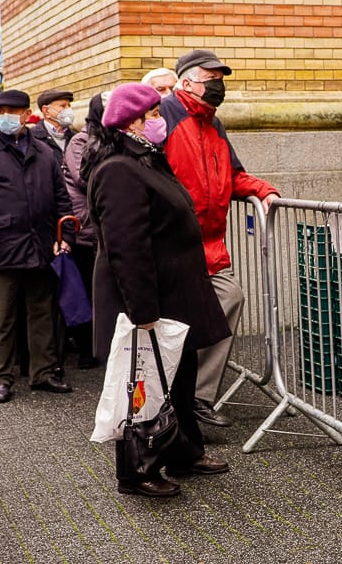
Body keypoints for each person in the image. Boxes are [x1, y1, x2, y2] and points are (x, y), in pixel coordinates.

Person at [85, 82, 231, 497]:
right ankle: (136, 470)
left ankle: (183, 450)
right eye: (151, 114)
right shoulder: (118, 169)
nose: (159, 120)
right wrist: (142, 310)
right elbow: (127, 248)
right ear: (131, 121)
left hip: (175, 291)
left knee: (179, 376)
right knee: (143, 383)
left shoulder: (146, 159)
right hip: (150, 298)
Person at [161, 49, 280, 428]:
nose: (218, 85)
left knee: (230, 298)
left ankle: (197, 396)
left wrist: (263, 190)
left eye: (220, 79)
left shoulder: (215, 125)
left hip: (210, 245)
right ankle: (165, 402)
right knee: (172, 323)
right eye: (209, 78)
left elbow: (234, 175)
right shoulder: (163, 116)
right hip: (173, 243)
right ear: (185, 82)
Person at [0, 89, 75, 403]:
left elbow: (61, 199)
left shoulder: (44, 153)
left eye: (14, 111)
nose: (7, 117)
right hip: (0, 249)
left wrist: (65, 238)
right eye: (2, 111)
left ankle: (44, 372)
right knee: (1, 318)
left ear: (27, 115)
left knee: (42, 313)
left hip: (41, 247)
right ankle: (1, 377)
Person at [61, 92, 109, 370]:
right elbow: (84, 178)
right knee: (85, 290)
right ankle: (87, 348)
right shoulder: (81, 141)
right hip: (84, 227)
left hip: (101, 226)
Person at [32, 89, 75, 165]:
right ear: (46, 111)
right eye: (63, 106)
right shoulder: (31, 137)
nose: (68, 110)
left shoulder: (75, 137)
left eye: (69, 106)